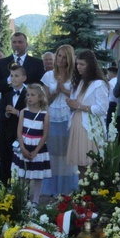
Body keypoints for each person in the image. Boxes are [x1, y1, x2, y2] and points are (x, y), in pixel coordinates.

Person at [66, 50, 110, 180]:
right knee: (81, 163)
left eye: (82, 64)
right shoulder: (79, 82)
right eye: (78, 64)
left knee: (91, 163)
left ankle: (91, 192)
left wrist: (79, 106)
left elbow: (102, 108)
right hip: (78, 124)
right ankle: (83, 192)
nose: (79, 67)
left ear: (90, 65)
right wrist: (71, 104)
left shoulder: (99, 84)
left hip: (90, 127)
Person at [41, 45, 78, 196]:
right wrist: (57, 90)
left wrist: (63, 89)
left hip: (69, 117)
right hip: (53, 117)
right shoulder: (48, 75)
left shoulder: (76, 77)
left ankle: (67, 187)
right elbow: (45, 101)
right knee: (52, 153)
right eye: (59, 56)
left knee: (66, 154)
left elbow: (78, 97)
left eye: (64, 57)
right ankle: (52, 188)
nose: (60, 60)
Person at [11, 84, 51, 204]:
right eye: (28, 94)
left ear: (40, 97)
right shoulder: (23, 112)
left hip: (38, 147)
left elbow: (45, 135)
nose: (29, 97)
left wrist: (36, 151)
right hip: (25, 144)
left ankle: (36, 200)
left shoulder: (45, 114)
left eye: (33, 95)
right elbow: (19, 130)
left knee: (37, 175)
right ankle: (23, 198)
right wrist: (22, 147)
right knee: (23, 174)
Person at [0, 64, 28, 184]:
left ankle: (21, 189)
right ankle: (4, 186)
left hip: (23, 133)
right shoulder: (6, 93)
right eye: (11, 76)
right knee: (6, 159)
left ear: (24, 78)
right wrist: (7, 113)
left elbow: (33, 113)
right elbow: (1, 113)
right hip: (7, 132)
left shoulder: (29, 93)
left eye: (16, 76)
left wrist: (18, 112)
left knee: (20, 161)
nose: (13, 78)